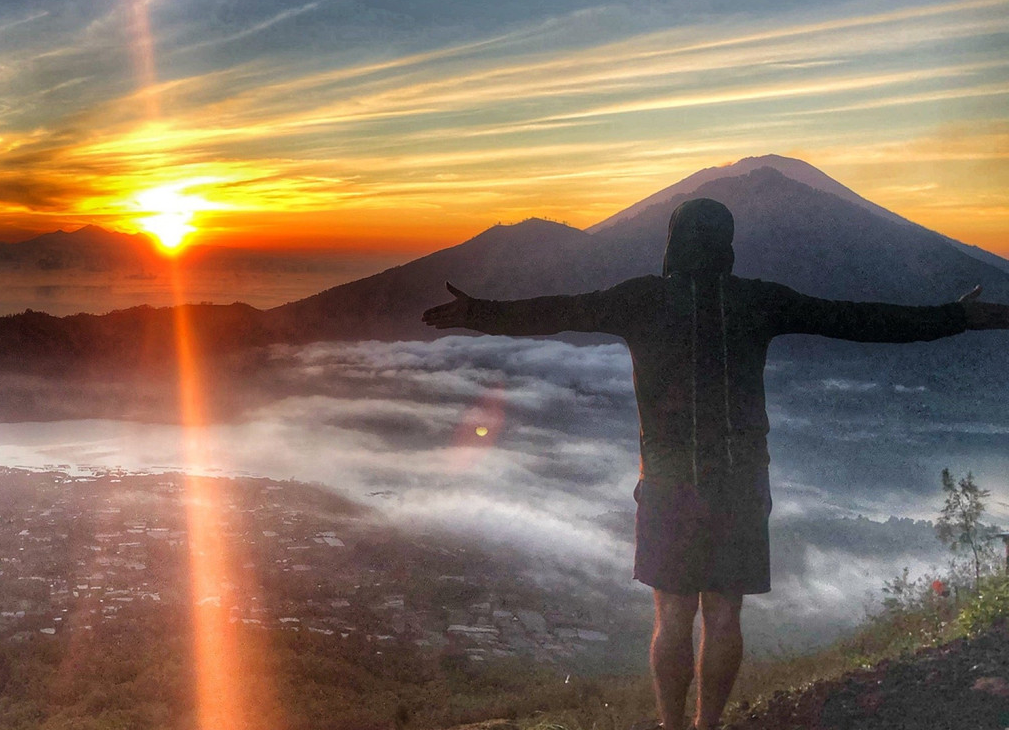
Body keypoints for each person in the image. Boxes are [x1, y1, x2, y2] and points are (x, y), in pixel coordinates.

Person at [421, 198, 1009, 730]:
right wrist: (955, 317)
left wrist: (478, 311)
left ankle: (671, 727)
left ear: (672, 241)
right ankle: (708, 726)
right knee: (724, 615)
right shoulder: (759, 299)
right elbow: (859, 319)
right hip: (741, 478)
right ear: (726, 245)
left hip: (669, 482)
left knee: (671, 616)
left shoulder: (640, 298)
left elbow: (557, 311)